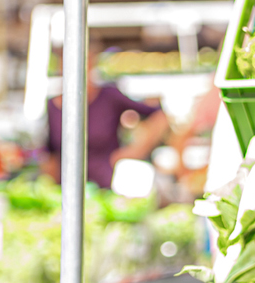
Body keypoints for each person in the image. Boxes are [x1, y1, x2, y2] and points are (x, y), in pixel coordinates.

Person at [42, 47, 169, 190]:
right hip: (67, 188)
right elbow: (51, 154)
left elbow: (159, 116)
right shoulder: (53, 106)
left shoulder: (109, 96)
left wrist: (135, 151)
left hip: (107, 186)